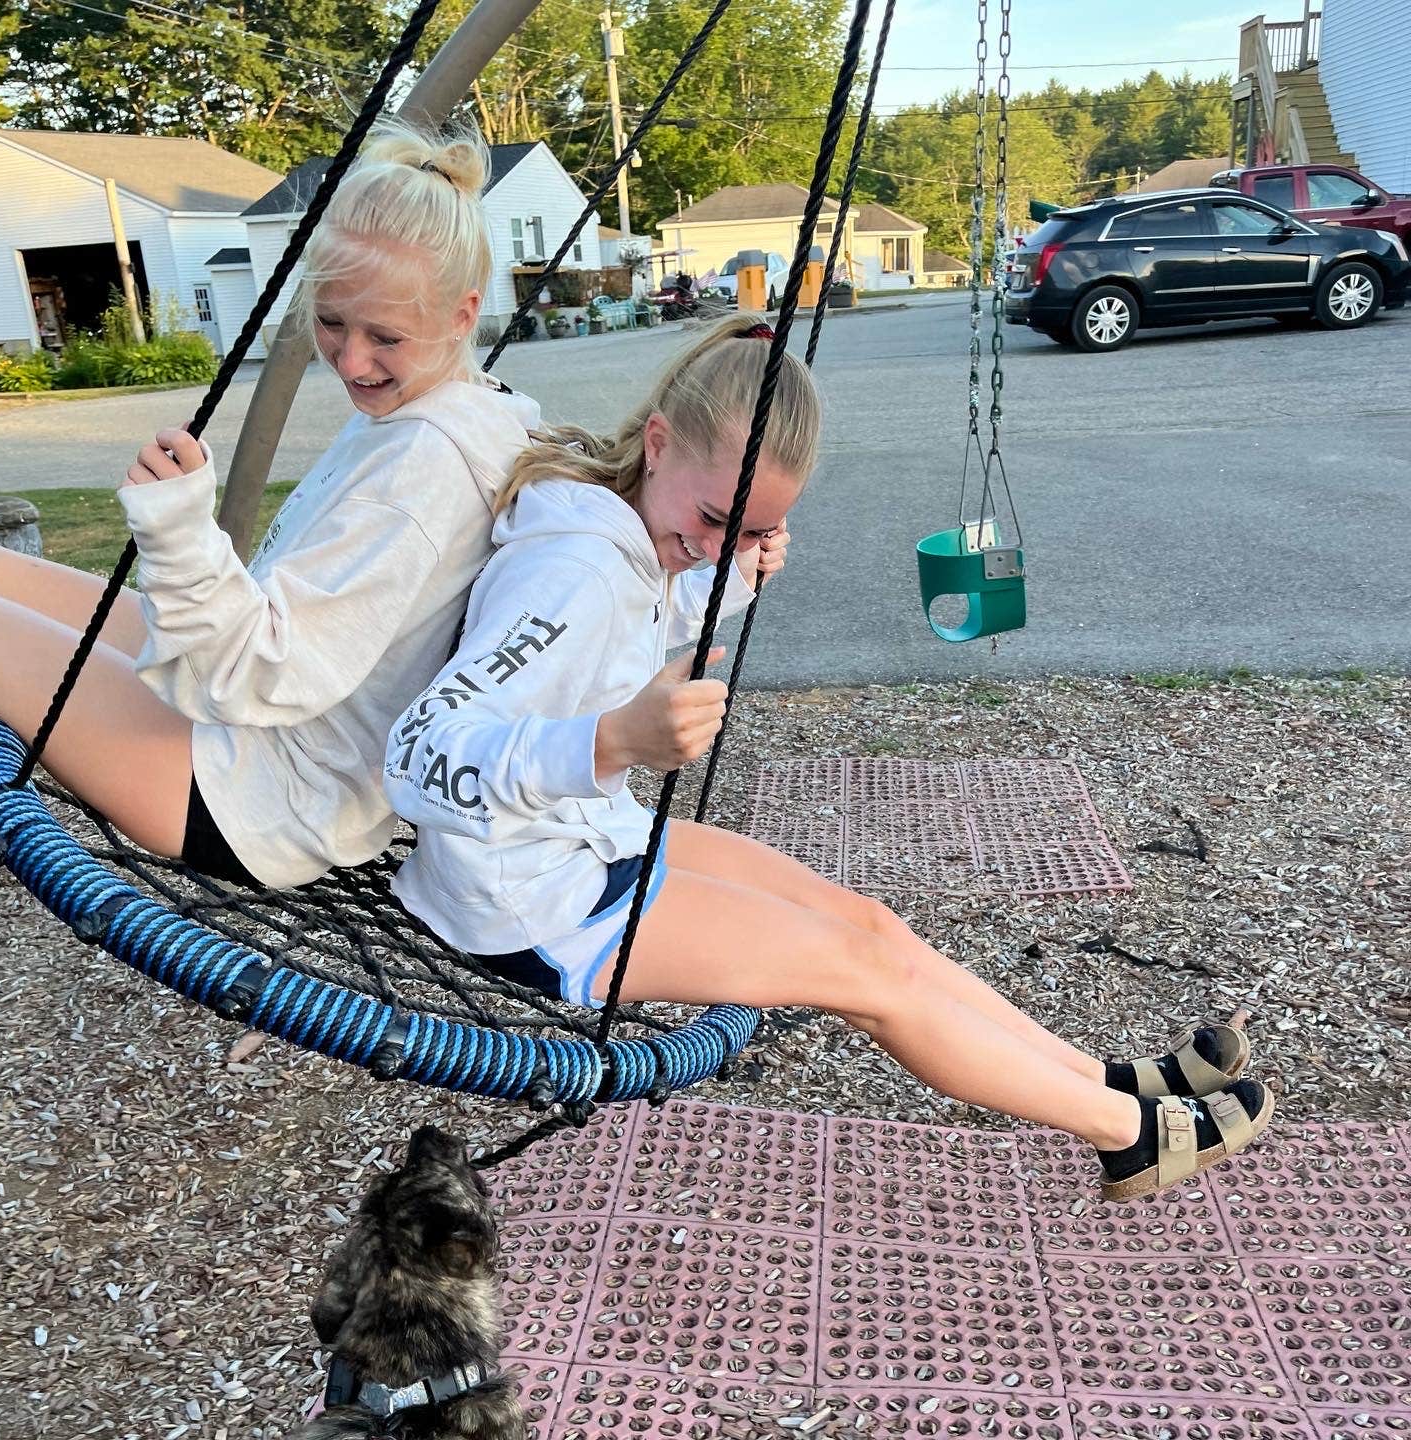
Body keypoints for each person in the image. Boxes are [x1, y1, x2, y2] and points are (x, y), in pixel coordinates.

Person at [383, 315, 1273, 1203]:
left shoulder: (632, 529)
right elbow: (420, 756)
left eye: (756, 528)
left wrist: (728, 572)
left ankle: (1106, 1080)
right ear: (658, 441)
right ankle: (1130, 1139)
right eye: (716, 520)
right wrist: (611, 740)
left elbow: (637, 614)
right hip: (529, 902)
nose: (720, 543)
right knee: (869, 976)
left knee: (875, 927)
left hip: (582, 839)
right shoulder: (571, 568)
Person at [0, 121, 540, 889]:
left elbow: (261, 673)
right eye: (332, 322)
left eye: (385, 336)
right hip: (264, 748)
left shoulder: (424, 466)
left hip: (257, 795)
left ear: (464, 315)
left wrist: (179, 530)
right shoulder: (471, 409)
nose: (351, 358)